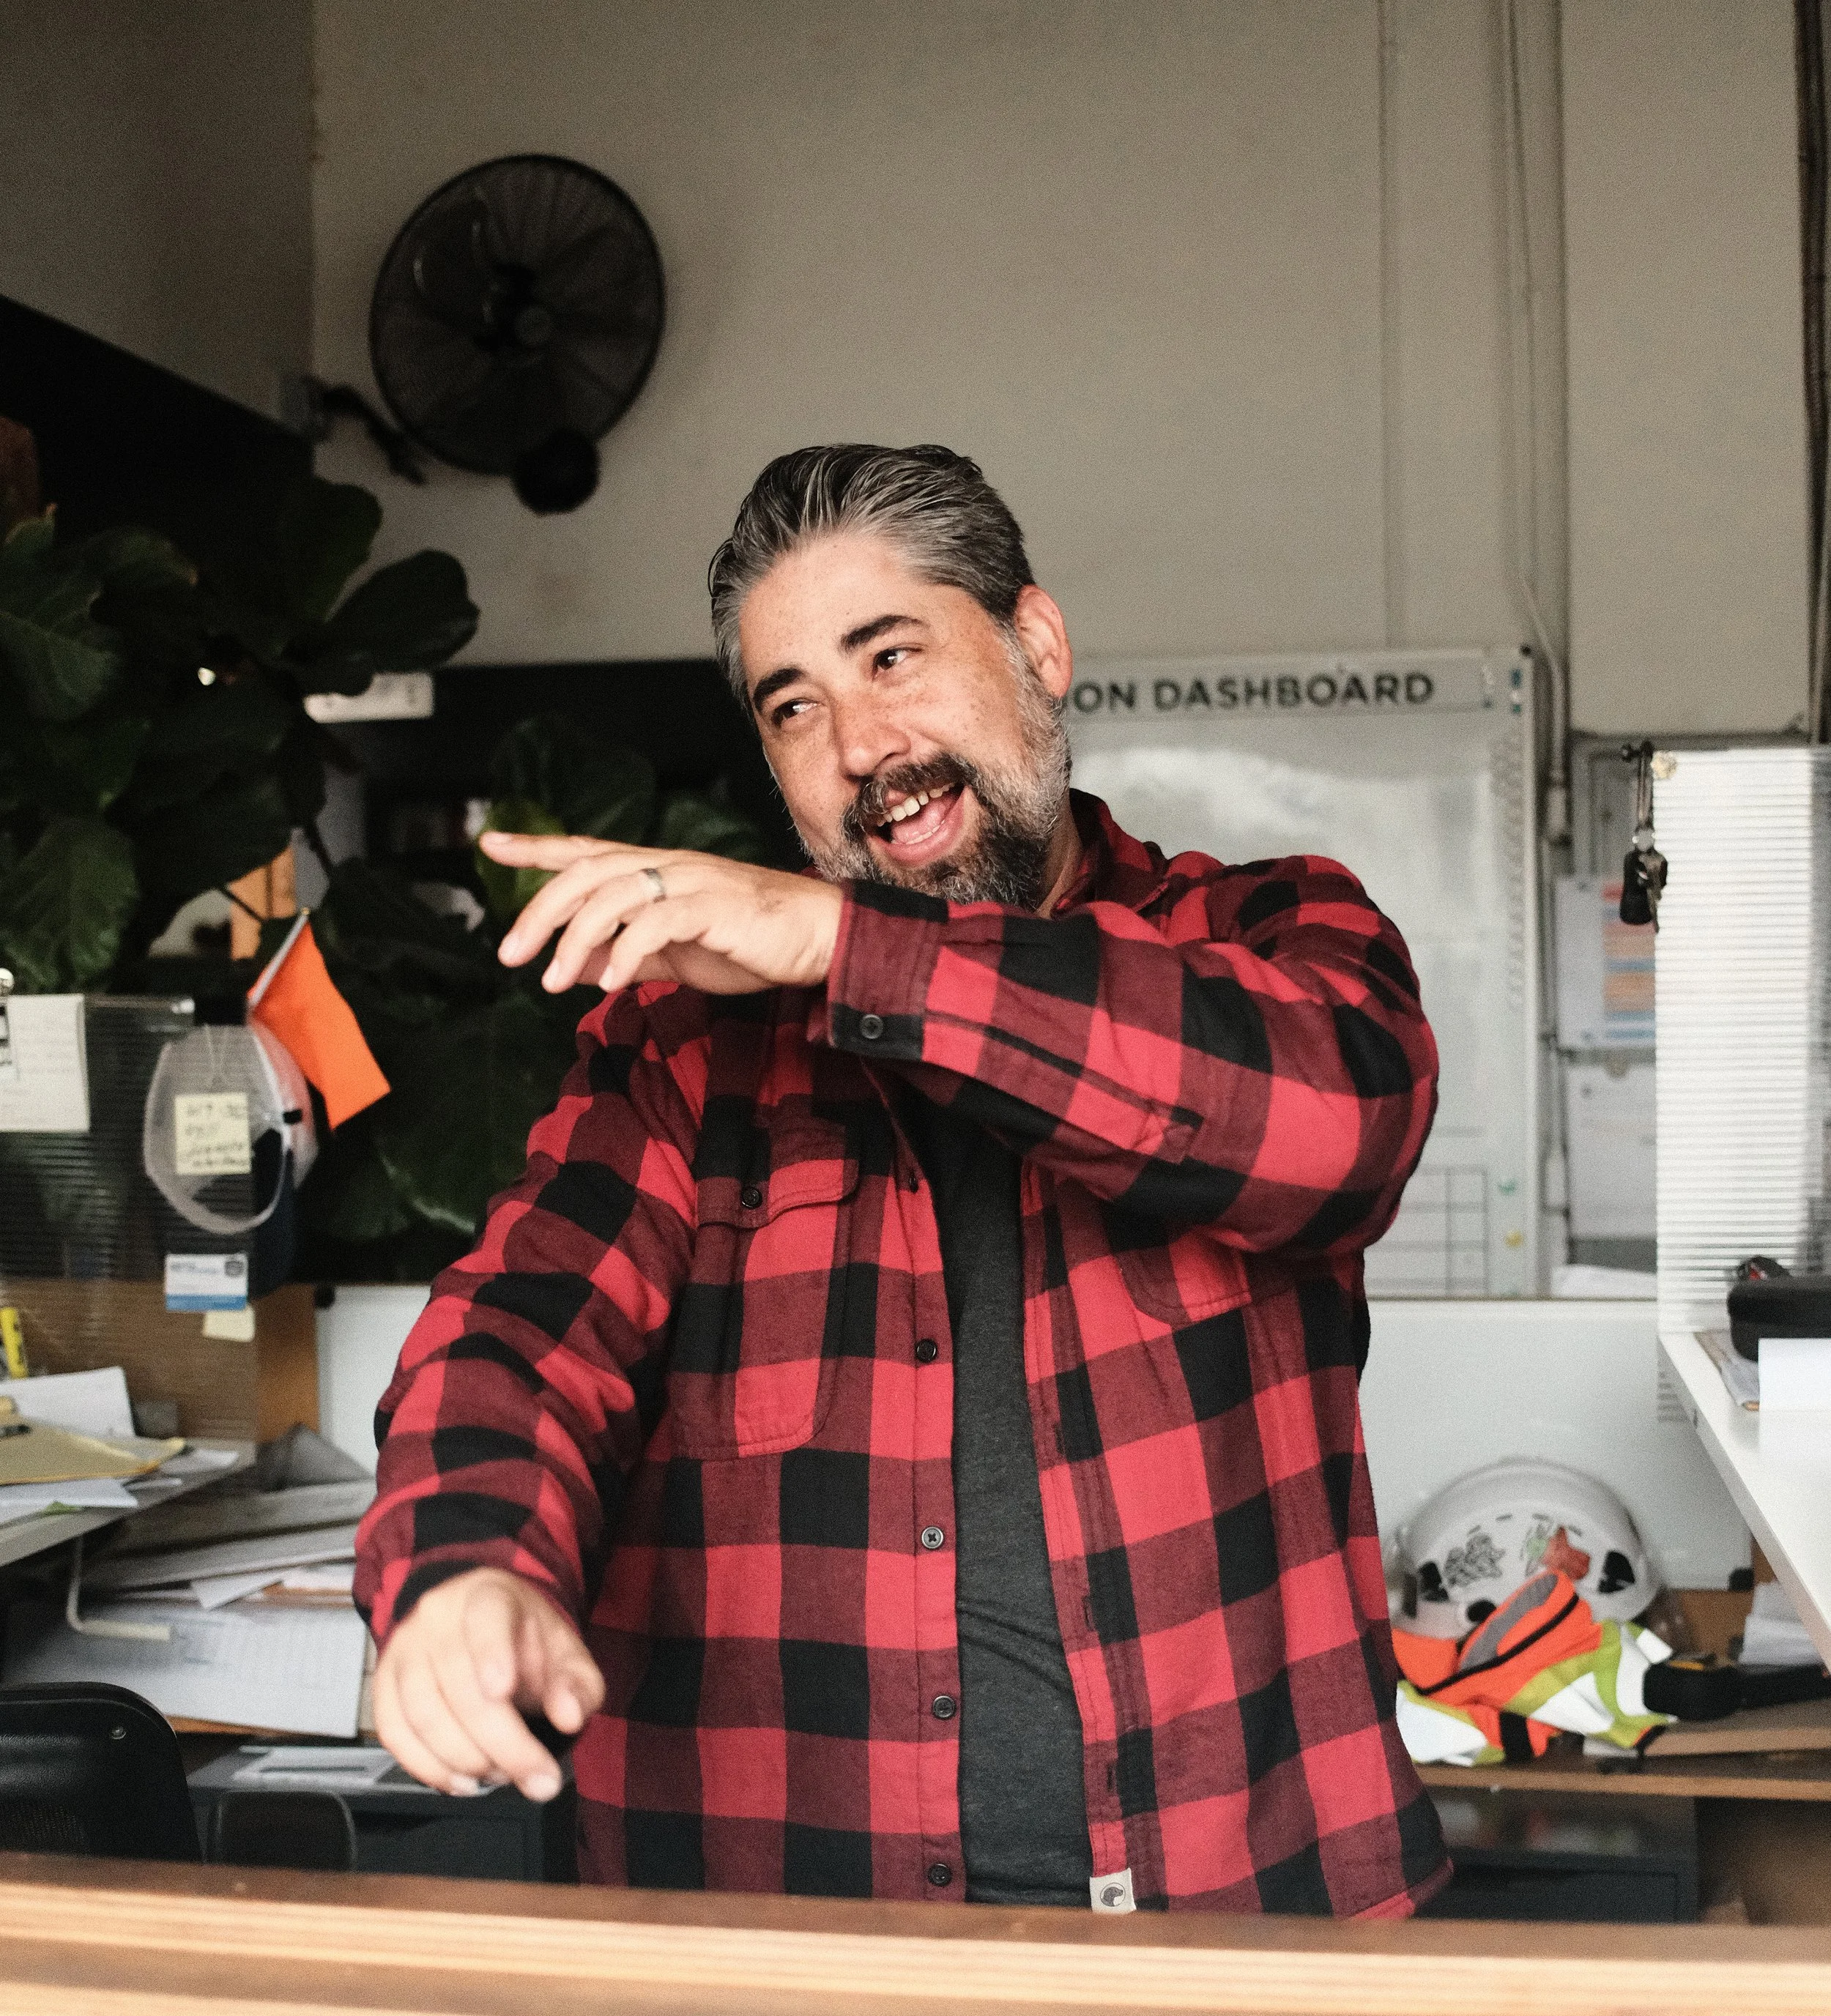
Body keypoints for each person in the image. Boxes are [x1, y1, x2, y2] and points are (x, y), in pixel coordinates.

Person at [353, 443, 1450, 1916]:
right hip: (786, 1955)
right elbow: (517, 1330)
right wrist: (459, 1567)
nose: (861, 744)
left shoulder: (1267, 930)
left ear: (1035, 645)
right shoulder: (689, 1043)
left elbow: (1338, 1123)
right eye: (793, 705)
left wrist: (847, 949)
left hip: (1241, 1914)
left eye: (890, 657)